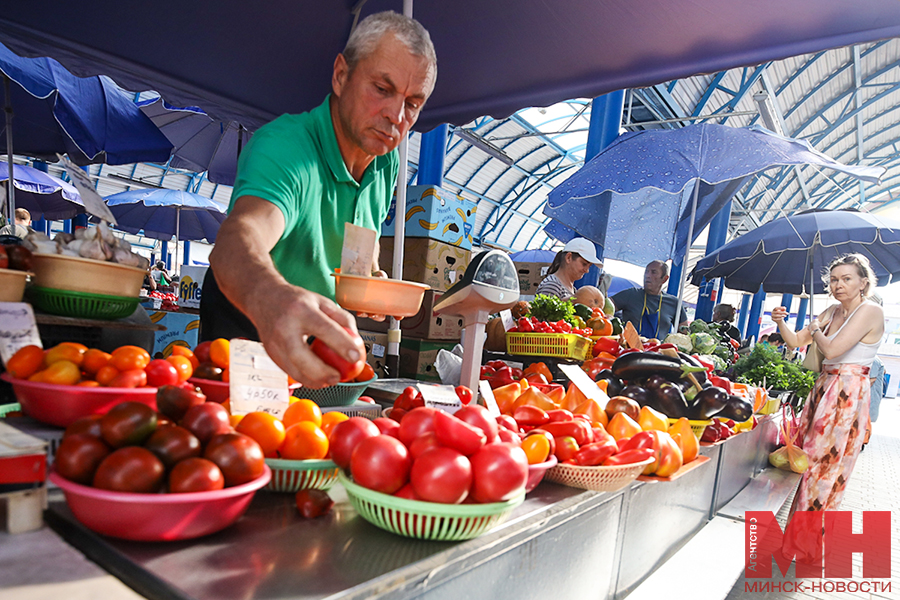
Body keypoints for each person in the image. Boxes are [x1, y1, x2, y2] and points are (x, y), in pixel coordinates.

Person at [200, 12, 437, 388]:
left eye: (412, 102)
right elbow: (239, 236)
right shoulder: (285, 148)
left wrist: (369, 283)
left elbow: (361, 246)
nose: (396, 115)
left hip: (317, 330)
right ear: (341, 76)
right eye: (382, 89)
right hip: (249, 313)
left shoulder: (386, 160)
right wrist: (269, 297)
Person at [771, 253, 884, 561]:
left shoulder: (870, 310)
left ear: (863, 282)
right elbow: (795, 342)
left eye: (846, 279)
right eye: (833, 279)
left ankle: (805, 544)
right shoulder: (831, 311)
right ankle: (798, 542)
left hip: (846, 392)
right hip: (825, 387)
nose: (838, 285)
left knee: (826, 468)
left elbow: (833, 348)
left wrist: (817, 329)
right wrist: (781, 321)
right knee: (809, 464)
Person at [611, 260, 687, 339]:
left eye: (653, 272)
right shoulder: (631, 294)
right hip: (629, 350)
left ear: (664, 279)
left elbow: (684, 332)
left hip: (658, 350)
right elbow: (605, 306)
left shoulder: (674, 303)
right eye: (646, 272)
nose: (647, 275)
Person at [534, 238, 603, 300]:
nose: (587, 270)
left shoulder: (573, 290)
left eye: (589, 266)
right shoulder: (552, 286)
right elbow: (544, 313)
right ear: (568, 258)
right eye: (584, 264)